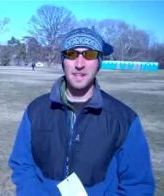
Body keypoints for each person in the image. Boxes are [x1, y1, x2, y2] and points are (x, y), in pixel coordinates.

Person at [8, 27, 155, 195]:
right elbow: (22, 164)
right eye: (71, 54)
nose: (79, 64)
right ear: (63, 60)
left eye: (90, 54)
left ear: (99, 61)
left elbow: (137, 185)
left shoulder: (125, 119)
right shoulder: (35, 111)